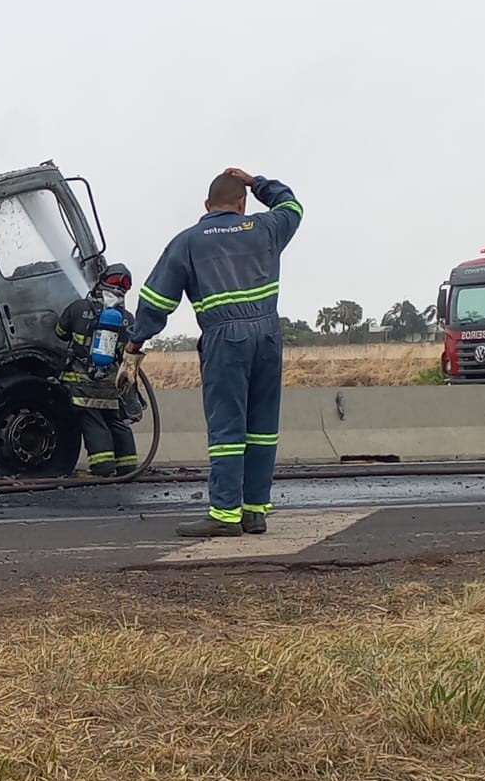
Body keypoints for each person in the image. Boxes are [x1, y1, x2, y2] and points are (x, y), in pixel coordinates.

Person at [119, 168, 302, 537]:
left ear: (206, 205)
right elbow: (292, 205)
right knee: (262, 428)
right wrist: (256, 181)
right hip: (267, 335)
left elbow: (157, 299)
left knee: (227, 428)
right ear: (242, 204)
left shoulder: (189, 241)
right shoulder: (265, 228)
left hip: (225, 339)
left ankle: (224, 513)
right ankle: (255, 512)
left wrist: (136, 342)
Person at [56, 264, 142, 476]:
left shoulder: (78, 308)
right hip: (113, 385)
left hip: (84, 383)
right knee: (116, 421)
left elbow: (60, 333)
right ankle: (128, 466)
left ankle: (103, 467)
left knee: (93, 420)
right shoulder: (128, 319)